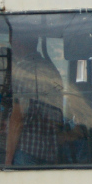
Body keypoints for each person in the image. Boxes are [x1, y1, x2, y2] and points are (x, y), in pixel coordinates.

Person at [4, 32, 64, 167]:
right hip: (49, 151)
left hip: (26, 150)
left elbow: (18, 116)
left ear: (18, 43)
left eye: (11, 43)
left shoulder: (22, 69)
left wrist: (8, 158)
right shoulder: (52, 70)